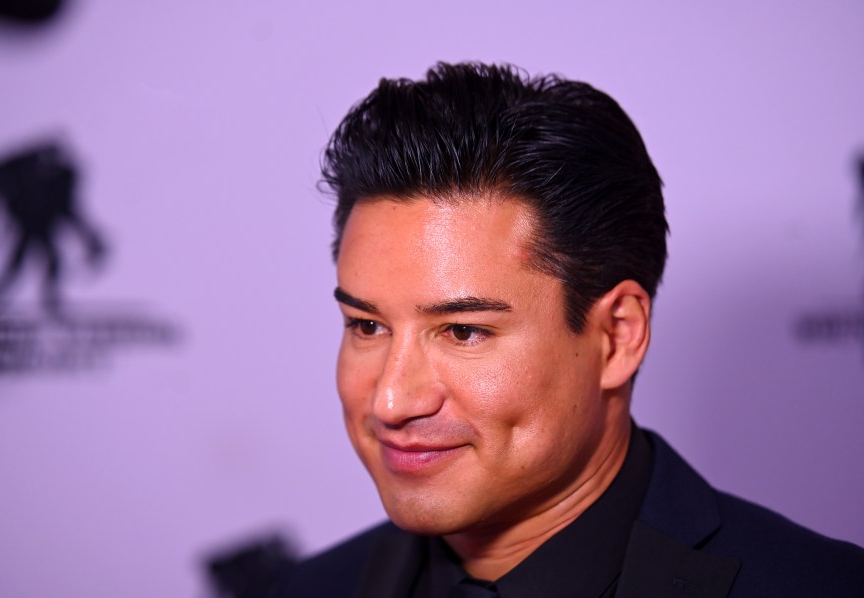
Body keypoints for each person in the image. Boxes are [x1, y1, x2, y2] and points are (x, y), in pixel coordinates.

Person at [268, 62, 864, 597]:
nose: (392, 400)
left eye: (463, 332)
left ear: (617, 337)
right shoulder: (310, 588)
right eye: (367, 325)